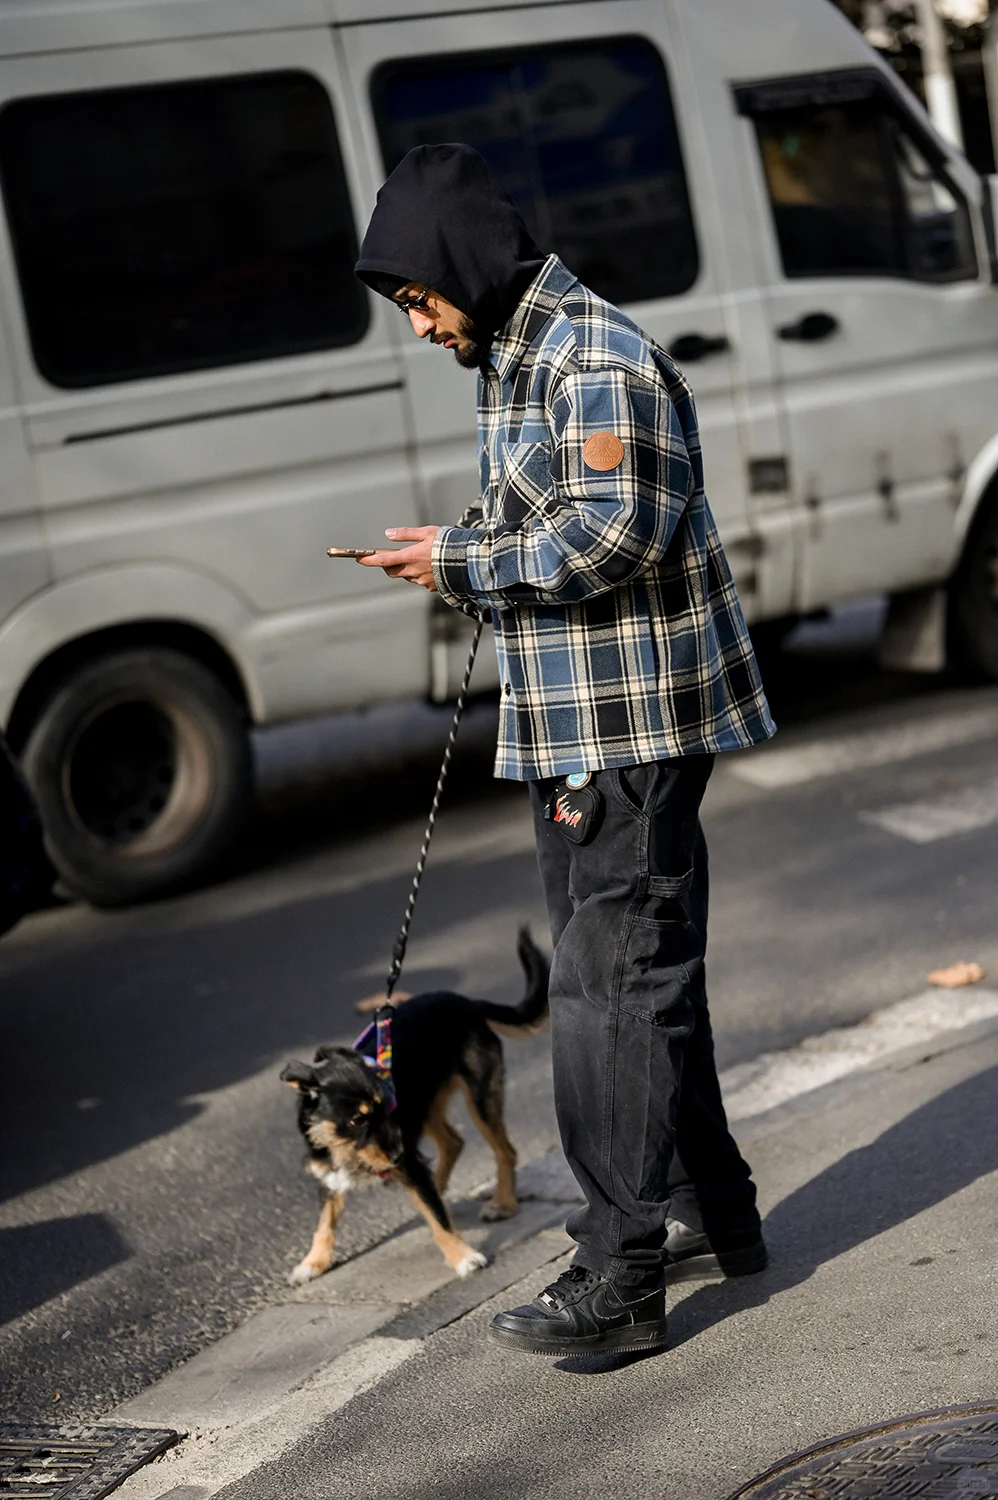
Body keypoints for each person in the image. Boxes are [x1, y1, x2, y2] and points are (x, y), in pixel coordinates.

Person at [354, 144, 777, 1357]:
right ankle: (709, 1216)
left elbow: (608, 539)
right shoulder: (523, 354)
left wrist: (459, 562)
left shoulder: (594, 357)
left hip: (627, 726)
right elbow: (551, 522)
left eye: (420, 299)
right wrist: (457, 541)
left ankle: (618, 1277)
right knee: (637, 979)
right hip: (585, 725)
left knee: (607, 994)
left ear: (462, 266)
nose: (423, 325)